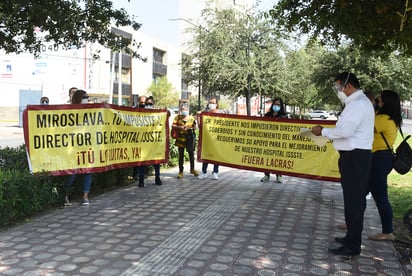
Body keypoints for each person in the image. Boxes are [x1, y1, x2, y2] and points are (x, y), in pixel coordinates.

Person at [311, 72, 374, 256]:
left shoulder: (358, 104)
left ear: (348, 86)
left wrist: (322, 131)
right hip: (352, 156)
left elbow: (345, 131)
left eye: (338, 87)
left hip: (356, 157)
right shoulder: (356, 103)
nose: (338, 91)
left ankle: (353, 245)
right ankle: (350, 236)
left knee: (354, 201)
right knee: (350, 199)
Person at [367, 90, 402, 241]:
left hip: (379, 158)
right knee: (362, 191)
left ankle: (388, 232)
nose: (377, 98)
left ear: (386, 101)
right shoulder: (389, 117)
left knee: (380, 195)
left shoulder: (383, 118)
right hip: (382, 157)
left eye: (380, 98)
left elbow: (366, 128)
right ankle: (352, 222)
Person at [64, 89, 92, 206]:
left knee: (88, 171)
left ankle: (85, 196)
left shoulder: (91, 111)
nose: (87, 99)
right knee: (72, 173)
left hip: (87, 146)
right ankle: (64, 195)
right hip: (73, 148)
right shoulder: (68, 111)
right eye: (85, 97)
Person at [133, 96, 163, 187]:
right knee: (143, 161)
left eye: (150, 104)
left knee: (156, 162)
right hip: (144, 142)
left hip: (154, 142)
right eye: (147, 104)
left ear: (153, 105)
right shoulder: (139, 114)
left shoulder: (157, 114)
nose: (148, 105)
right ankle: (141, 180)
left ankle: (157, 178)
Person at [261, 97, 287, 183]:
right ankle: (266, 175)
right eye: (275, 104)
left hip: (279, 142)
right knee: (267, 158)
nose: (276, 106)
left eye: (278, 105)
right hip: (268, 140)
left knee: (278, 158)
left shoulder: (284, 117)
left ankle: (279, 175)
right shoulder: (267, 115)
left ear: (281, 106)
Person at [198, 97, 225, 180]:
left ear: (216, 104)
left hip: (216, 139)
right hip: (207, 139)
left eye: (213, 103)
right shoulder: (205, 113)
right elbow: (200, 126)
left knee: (216, 156)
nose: (211, 104)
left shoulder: (221, 113)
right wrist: (198, 115)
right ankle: (204, 172)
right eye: (210, 103)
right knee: (206, 155)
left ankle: (215, 172)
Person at [172, 101, 199, 179]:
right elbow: (173, 125)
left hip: (189, 138)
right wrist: (180, 127)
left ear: (188, 110)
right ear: (180, 110)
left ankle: (192, 169)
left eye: (186, 109)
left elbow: (195, 127)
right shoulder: (177, 117)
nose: (185, 110)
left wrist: (189, 127)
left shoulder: (191, 118)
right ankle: (181, 171)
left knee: (191, 154)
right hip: (180, 139)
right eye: (183, 109)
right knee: (181, 155)